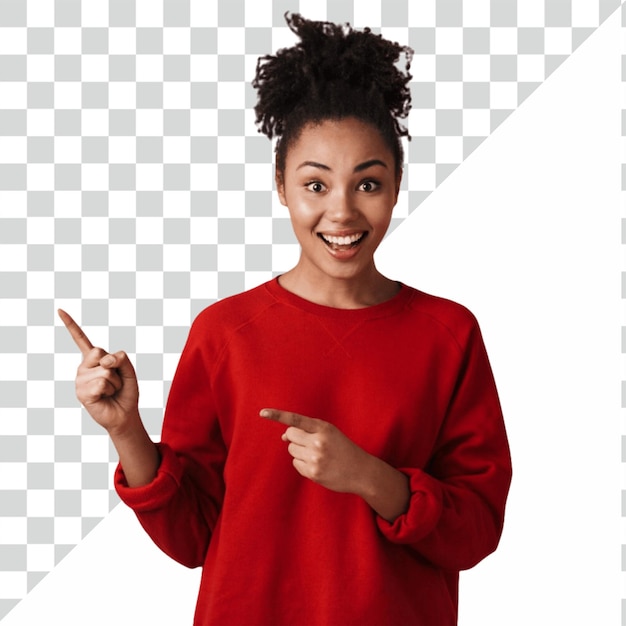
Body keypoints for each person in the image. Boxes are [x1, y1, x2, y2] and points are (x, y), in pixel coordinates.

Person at [59, 13, 511, 626]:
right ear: (280, 186)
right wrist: (125, 431)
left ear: (397, 185)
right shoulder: (225, 333)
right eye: (316, 185)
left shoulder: (449, 334)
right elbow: (192, 538)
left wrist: (370, 478)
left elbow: (476, 531)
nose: (342, 212)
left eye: (368, 183)